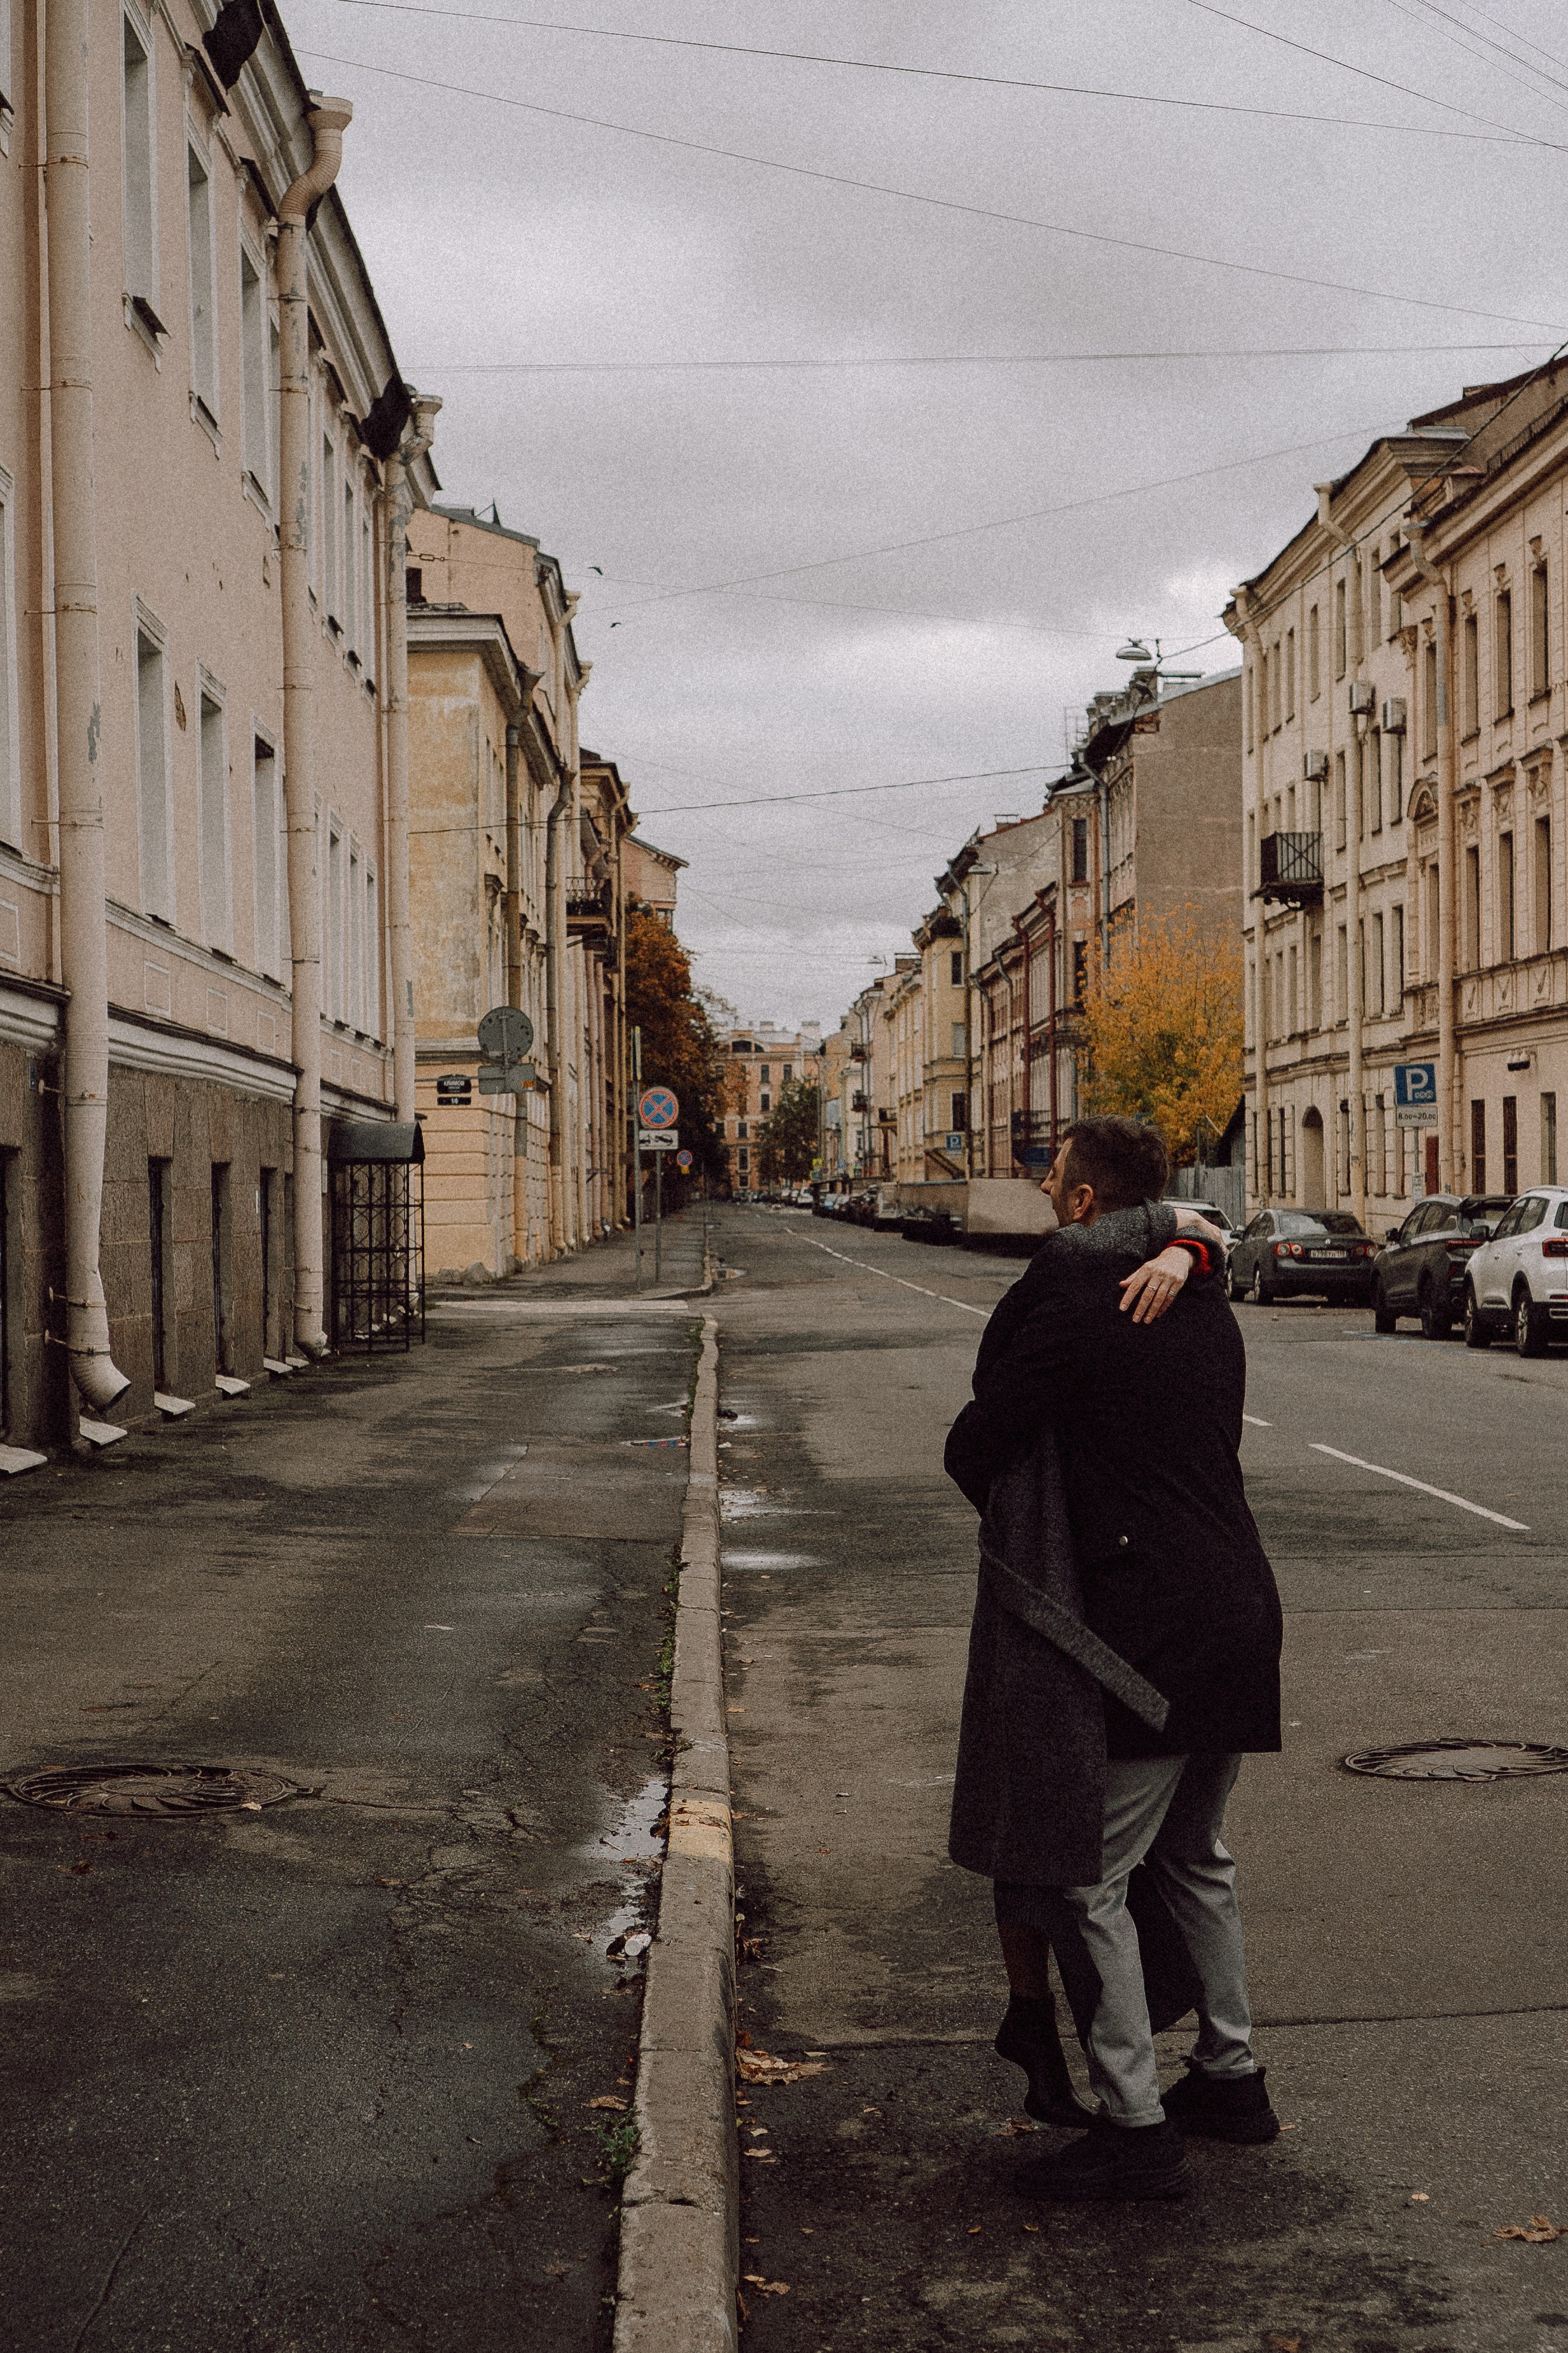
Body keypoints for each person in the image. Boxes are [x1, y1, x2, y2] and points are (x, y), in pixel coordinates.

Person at [944, 1115, 1283, 2203]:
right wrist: (1192, 1243)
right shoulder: (1201, 1297)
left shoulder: (1082, 1298)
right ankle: (1229, 2078)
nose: (1044, 1185)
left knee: (1086, 1880)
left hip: (1139, 1627)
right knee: (1194, 1857)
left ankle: (1134, 2125)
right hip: (1237, 1606)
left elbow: (978, 1434)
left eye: (1054, 1175)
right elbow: (1202, 1238)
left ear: (1086, 1202)